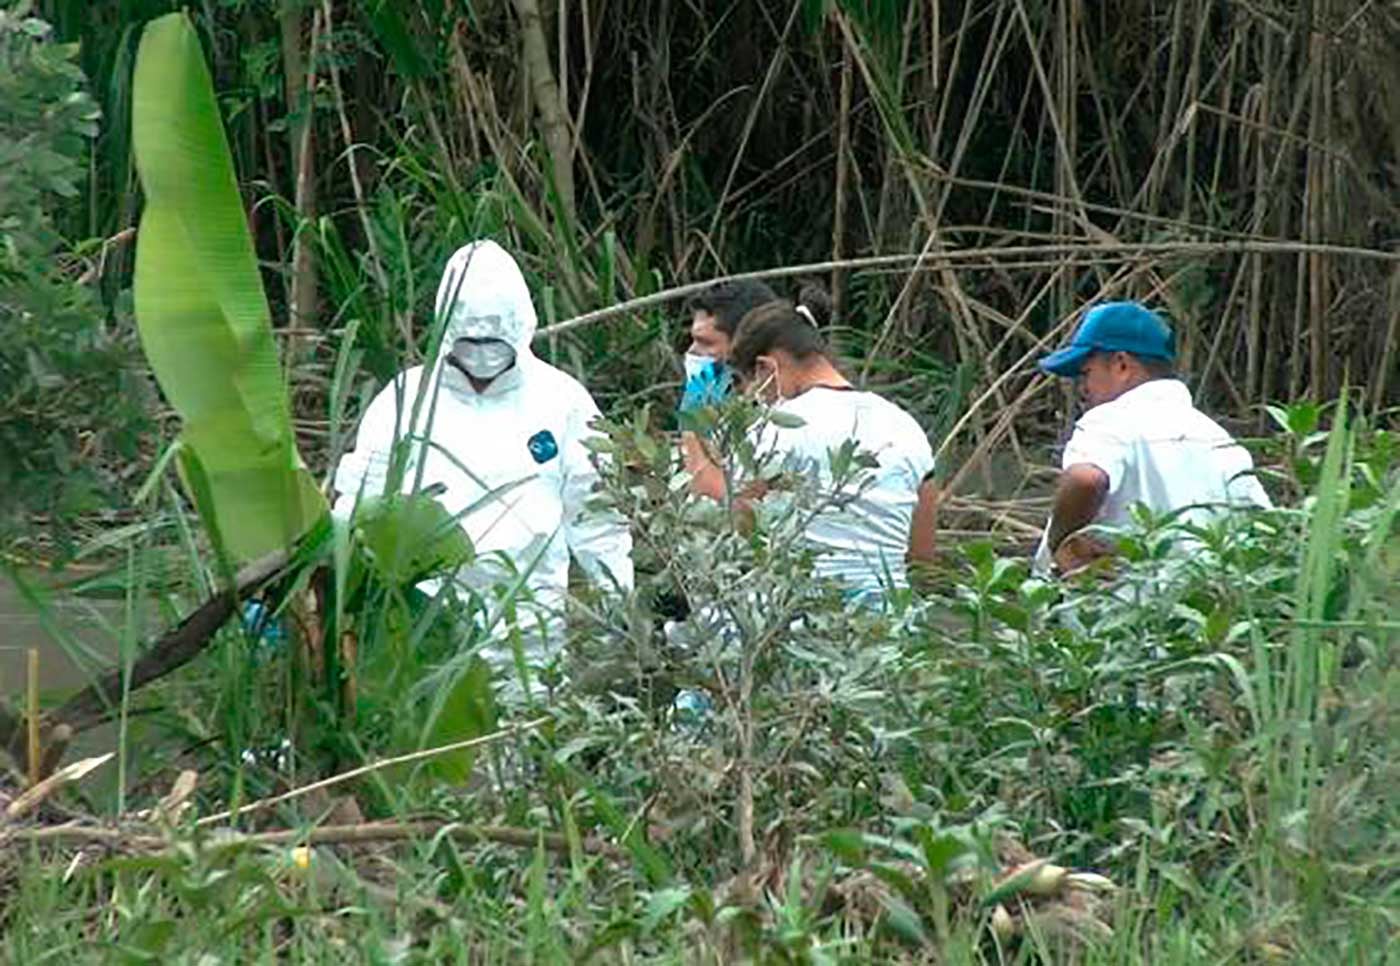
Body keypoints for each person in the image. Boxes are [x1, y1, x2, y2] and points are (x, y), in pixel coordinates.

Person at [331, 240, 634, 673]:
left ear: (519, 328)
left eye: (493, 340)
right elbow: (358, 510)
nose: (482, 353)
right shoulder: (404, 401)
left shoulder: (562, 401)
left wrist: (617, 629)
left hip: (531, 637)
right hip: (422, 631)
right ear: (446, 329)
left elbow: (600, 522)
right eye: (470, 340)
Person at [687, 284, 939, 598]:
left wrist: (691, 424)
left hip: (801, 621)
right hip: (888, 623)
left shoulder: (778, 429)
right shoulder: (907, 427)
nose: (754, 398)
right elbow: (923, 560)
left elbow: (730, 518)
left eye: (748, 383)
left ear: (765, 368)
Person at [1033, 300, 1272, 575]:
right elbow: (1263, 530)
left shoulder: (1111, 419)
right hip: (1201, 607)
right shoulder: (1218, 439)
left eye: (1087, 373)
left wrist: (1061, 543)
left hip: (1118, 609)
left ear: (1121, 365)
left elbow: (1085, 479)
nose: (1083, 389)